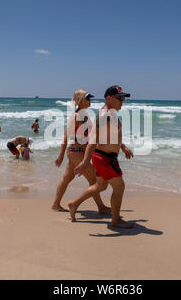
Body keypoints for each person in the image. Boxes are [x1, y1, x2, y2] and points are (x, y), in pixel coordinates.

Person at [69, 85, 134, 228]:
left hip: (105, 156)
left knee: (100, 185)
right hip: (105, 158)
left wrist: (122, 147)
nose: (122, 101)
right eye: (120, 98)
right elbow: (93, 139)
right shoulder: (105, 115)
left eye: (123, 98)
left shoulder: (111, 113)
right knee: (119, 187)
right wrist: (85, 162)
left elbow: (111, 135)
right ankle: (116, 220)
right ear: (109, 98)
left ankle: (74, 204)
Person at [53, 89, 111, 214]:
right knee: (94, 181)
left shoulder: (85, 116)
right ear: (80, 101)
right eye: (88, 98)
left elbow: (92, 133)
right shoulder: (76, 116)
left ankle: (55, 204)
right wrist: (61, 155)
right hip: (76, 152)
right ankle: (100, 207)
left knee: (66, 179)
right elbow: (65, 136)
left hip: (77, 152)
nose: (90, 101)